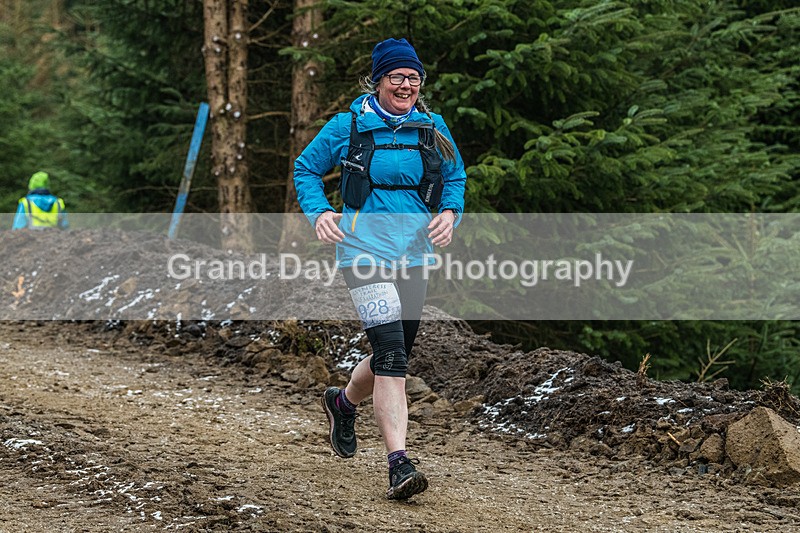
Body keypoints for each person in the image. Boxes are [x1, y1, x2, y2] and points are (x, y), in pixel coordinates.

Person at [294, 37, 466, 500]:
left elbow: (455, 177)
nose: (406, 85)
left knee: (397, 351)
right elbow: (306, 169)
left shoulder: (432, 127)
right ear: (379, 80)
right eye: (397, 77)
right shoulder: (348, 125)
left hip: (413, 254)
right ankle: (398, 463)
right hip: (362, 251)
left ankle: (343, 401)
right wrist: (320, 212)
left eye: (414, 78)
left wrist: (450, 213)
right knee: (392, 354)